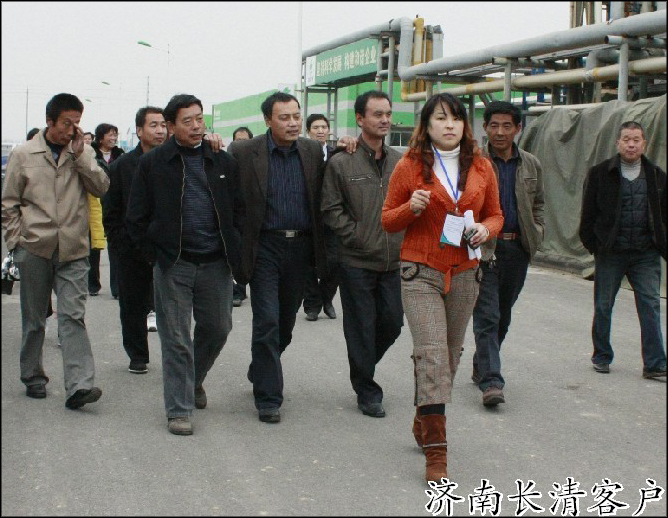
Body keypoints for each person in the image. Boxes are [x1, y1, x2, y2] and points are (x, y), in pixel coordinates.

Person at [381, 93, 503, 482]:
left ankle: (424, 417)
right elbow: (387, 220)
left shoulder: (482, 166)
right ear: (427, 125)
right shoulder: (409, 166)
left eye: (456, 118)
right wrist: (411, 208)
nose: (449, 125)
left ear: (465, 125)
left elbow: (496, 214)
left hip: (466, 270)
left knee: (448, 356)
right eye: (440, 118)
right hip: (420, 270)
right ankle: (437, 455)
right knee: (432, 354)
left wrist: (485, 229)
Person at [126, 94, 244, 435]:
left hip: (215, 262)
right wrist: (156, 255)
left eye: (199, 118)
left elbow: (239, 209)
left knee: (218, 328)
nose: (196, 126)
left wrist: (233, 244)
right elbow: (136, 217)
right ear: (171, 126)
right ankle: (178, 409)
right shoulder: (153, 164)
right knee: (176, 338)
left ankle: (194, 379)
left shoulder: (222, 161)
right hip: (173, 263)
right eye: (187, 121)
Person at [1, 92, 109, 409]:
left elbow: (102, 187)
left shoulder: (83, 152)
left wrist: (81, 156)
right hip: (34, 247)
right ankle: (33, 376)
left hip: (73, 249)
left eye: (77, 122)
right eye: (66, 123)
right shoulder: (24, 154)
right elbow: (9, 204)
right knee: (35, 319)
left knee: (73, 317)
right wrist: (16, 242)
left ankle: (79, 386)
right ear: (49, 121)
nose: (72, 129)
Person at [227, 92, 327, 424]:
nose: (293, 123)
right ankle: (269, 397)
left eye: (296, 116)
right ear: (268, 120)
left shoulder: (312, 151)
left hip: (300, 249)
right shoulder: (244, 152)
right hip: (264, 248)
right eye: (284, 118)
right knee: (267, 321)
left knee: (285, 324)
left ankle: (260, 367)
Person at [321, 91, 404, 418]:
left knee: (393, 323)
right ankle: (367, 390)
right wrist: (355, 236)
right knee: (361, 327)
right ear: (360, 119)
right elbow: (331, 208)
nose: (384, 120)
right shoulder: (342, 162)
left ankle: (362, 366)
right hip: (356, 261)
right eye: (377, 114)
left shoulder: (400, 162)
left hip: (393, 260)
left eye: (388, 114)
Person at [471, 101, 545, 407]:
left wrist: (537, 232)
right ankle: (492, 381)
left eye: (506, 126)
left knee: (503, 313)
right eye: (494, 125)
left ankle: (482, 362)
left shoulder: (531, 164)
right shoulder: (473, 163)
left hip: (517, 248)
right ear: (485, 128)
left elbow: (539, 203)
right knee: (487, 314)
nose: (500, 132)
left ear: (518, 129)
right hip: (484, 247)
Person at [579, 121, 666, 379]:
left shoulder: (657, 176)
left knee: (650, 305)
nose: (631, 144)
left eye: (636, 140)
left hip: (645, 253)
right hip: (611, 252)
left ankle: (655, 364)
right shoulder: (599, 174)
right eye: (626, 139)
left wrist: (660, 244)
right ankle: (602, 356)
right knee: (603, 305)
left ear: (644, 144)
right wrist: (595, 245)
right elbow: (588, 214)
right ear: (617, 143)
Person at [103, 107, 167, 374]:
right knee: (132, 305)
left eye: (163, 125)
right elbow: (111, 210)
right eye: (153, 125)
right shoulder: (122, 166)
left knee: (171, 307)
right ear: (139, 130)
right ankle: (138, 355)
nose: (160, 130)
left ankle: (176, 358)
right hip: (131, 248)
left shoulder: (175, 161)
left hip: (167, 247)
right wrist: (119, 242)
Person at [303, 114, 339, 322]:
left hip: (332, 216)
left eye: (324, 127)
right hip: (308, 216)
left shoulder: (337, 154)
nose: (320, 131)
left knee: (335, 261)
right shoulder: (301, 154)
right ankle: (312, 305)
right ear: (308, 131)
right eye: (316, 127)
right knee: (308, 263)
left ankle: (327, 299)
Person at [91, 123, 124, 298]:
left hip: (113, 206)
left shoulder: (120, 155)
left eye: (115, 135)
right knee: (93, 248)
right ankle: (93, 284)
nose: (113, 138)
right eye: (110, 135)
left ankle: (117, 288)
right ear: (100, 137)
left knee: (115, 247)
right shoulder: (91, 155)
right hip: (95, 204)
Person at [230, 126, 253, 308]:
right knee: (237, 252)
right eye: (238, 141)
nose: (241, 144)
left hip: (252, 216)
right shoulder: (228, 161)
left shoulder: (256, 162)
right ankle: (237, 290)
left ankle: (242, 287)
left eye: (245, 141)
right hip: (235, 215)